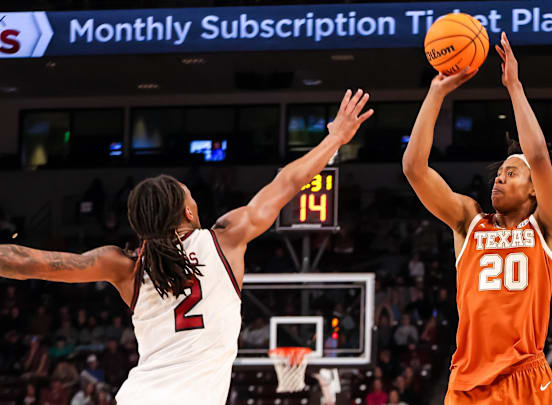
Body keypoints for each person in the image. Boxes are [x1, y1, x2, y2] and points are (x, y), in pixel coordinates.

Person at [0, 90, 373, 405]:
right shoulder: (225, 238)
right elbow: (286, 183)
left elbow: (32, 262)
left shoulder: (125, 265)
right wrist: (334, 139)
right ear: (189, 210)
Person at [404, 32, 552, 405]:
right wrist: (435, 93)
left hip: (525, 376)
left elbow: (539, 156)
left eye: (512, 173)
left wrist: (513, 86)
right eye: (500, 172)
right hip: (467, 382)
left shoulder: (548, 228)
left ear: (534, 191)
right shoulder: (469, 221)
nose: (499, 176)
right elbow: (414, 169)